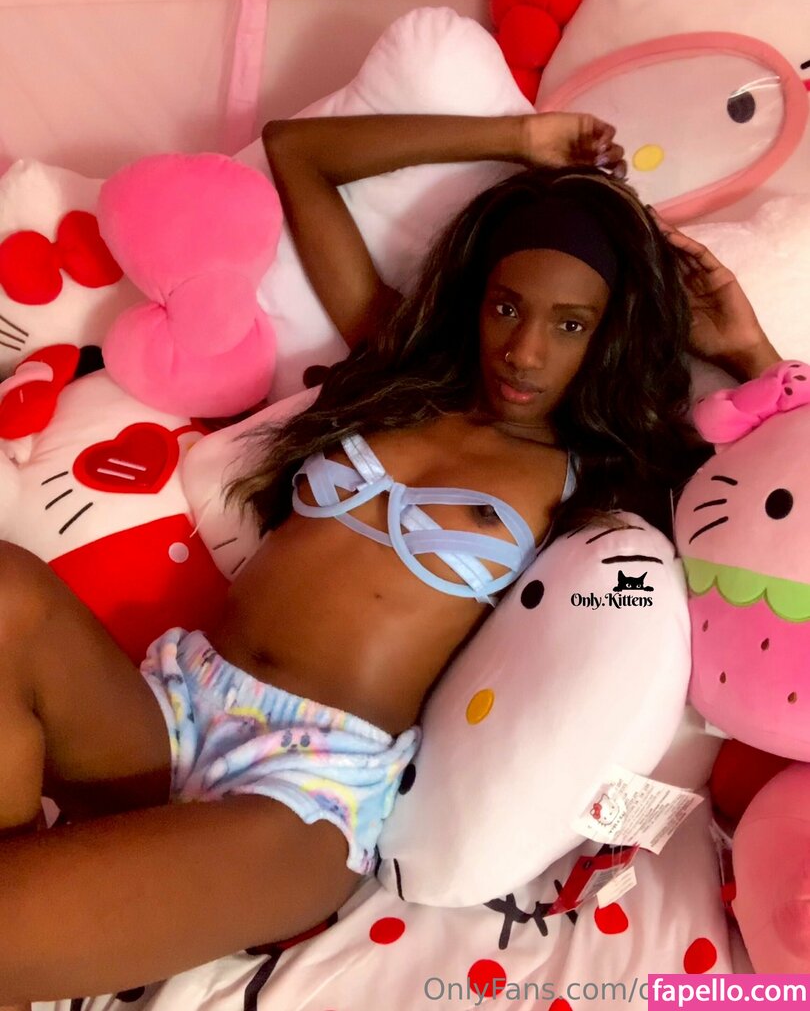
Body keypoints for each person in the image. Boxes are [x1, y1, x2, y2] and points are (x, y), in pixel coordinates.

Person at [0, 112, 781, 1005]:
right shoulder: (398, 372)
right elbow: (298, 152)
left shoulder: (608, 475)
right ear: (476, 299)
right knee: (7, 585)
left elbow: (785, 517)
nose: (524, 350)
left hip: (305, 793)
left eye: (570, 325)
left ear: (608, 337)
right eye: (507, 307)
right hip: (170, 706)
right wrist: (522, 140)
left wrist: (747, 350)